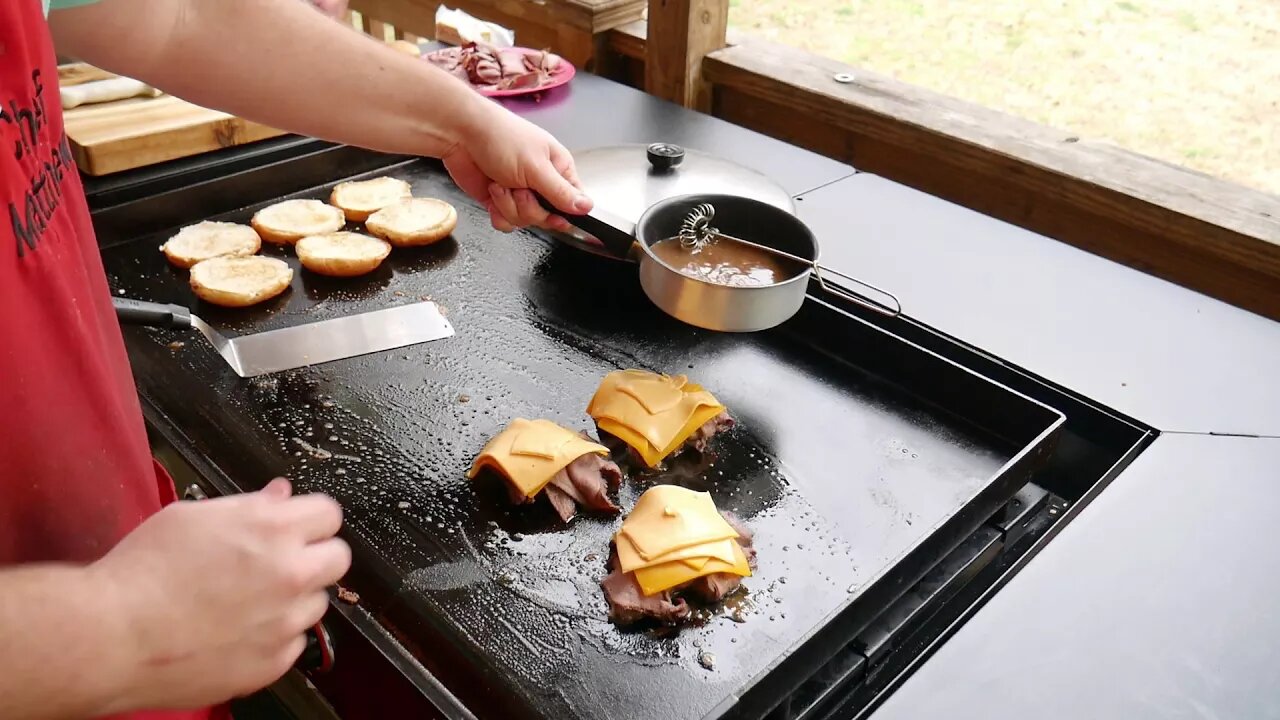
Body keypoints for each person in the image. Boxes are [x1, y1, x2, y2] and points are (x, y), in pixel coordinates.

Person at [0, 1, 593, 718]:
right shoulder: (111, 630)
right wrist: (109, 627)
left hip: (118, 566)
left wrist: (463, 121)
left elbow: (180, 18)